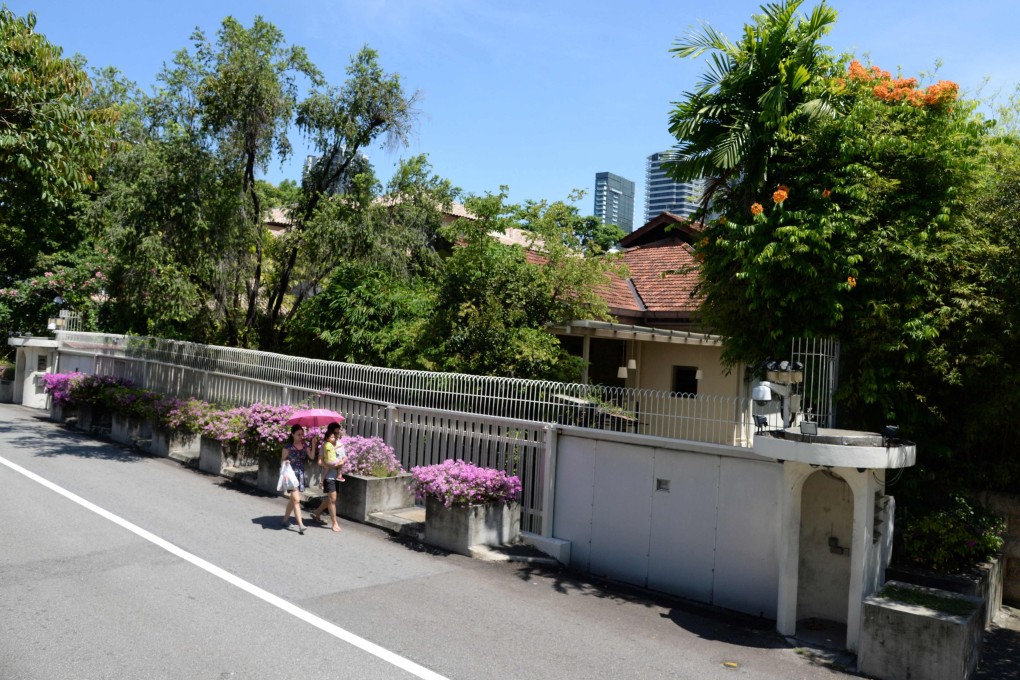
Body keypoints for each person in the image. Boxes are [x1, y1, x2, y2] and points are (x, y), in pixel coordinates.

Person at [311, 422, 345, 532]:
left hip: (338, 475)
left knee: (331, 498)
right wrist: (328, 465)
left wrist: (341, 463)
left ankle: (317, 512)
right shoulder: (325, 446)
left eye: (338, 433)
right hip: (329, 475)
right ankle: (334, 523)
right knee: (333, 499)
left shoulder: (340, 445)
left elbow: (344, 458)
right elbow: (320, 461)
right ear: (330, 433)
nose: (337, 435)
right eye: (335, 433)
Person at [281, 424, 312, 534]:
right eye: (298, 434)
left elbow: (312, 457)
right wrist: (286, 462)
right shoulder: (288, 447)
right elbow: (282, 461)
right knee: (297, 500)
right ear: (293, 434)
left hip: (300, 474)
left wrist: (314, 442)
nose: (300, 436)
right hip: (290, 475)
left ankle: (285, 520)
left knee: (293, 499)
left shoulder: (305, 445)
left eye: (302, 434)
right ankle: (300, 525)